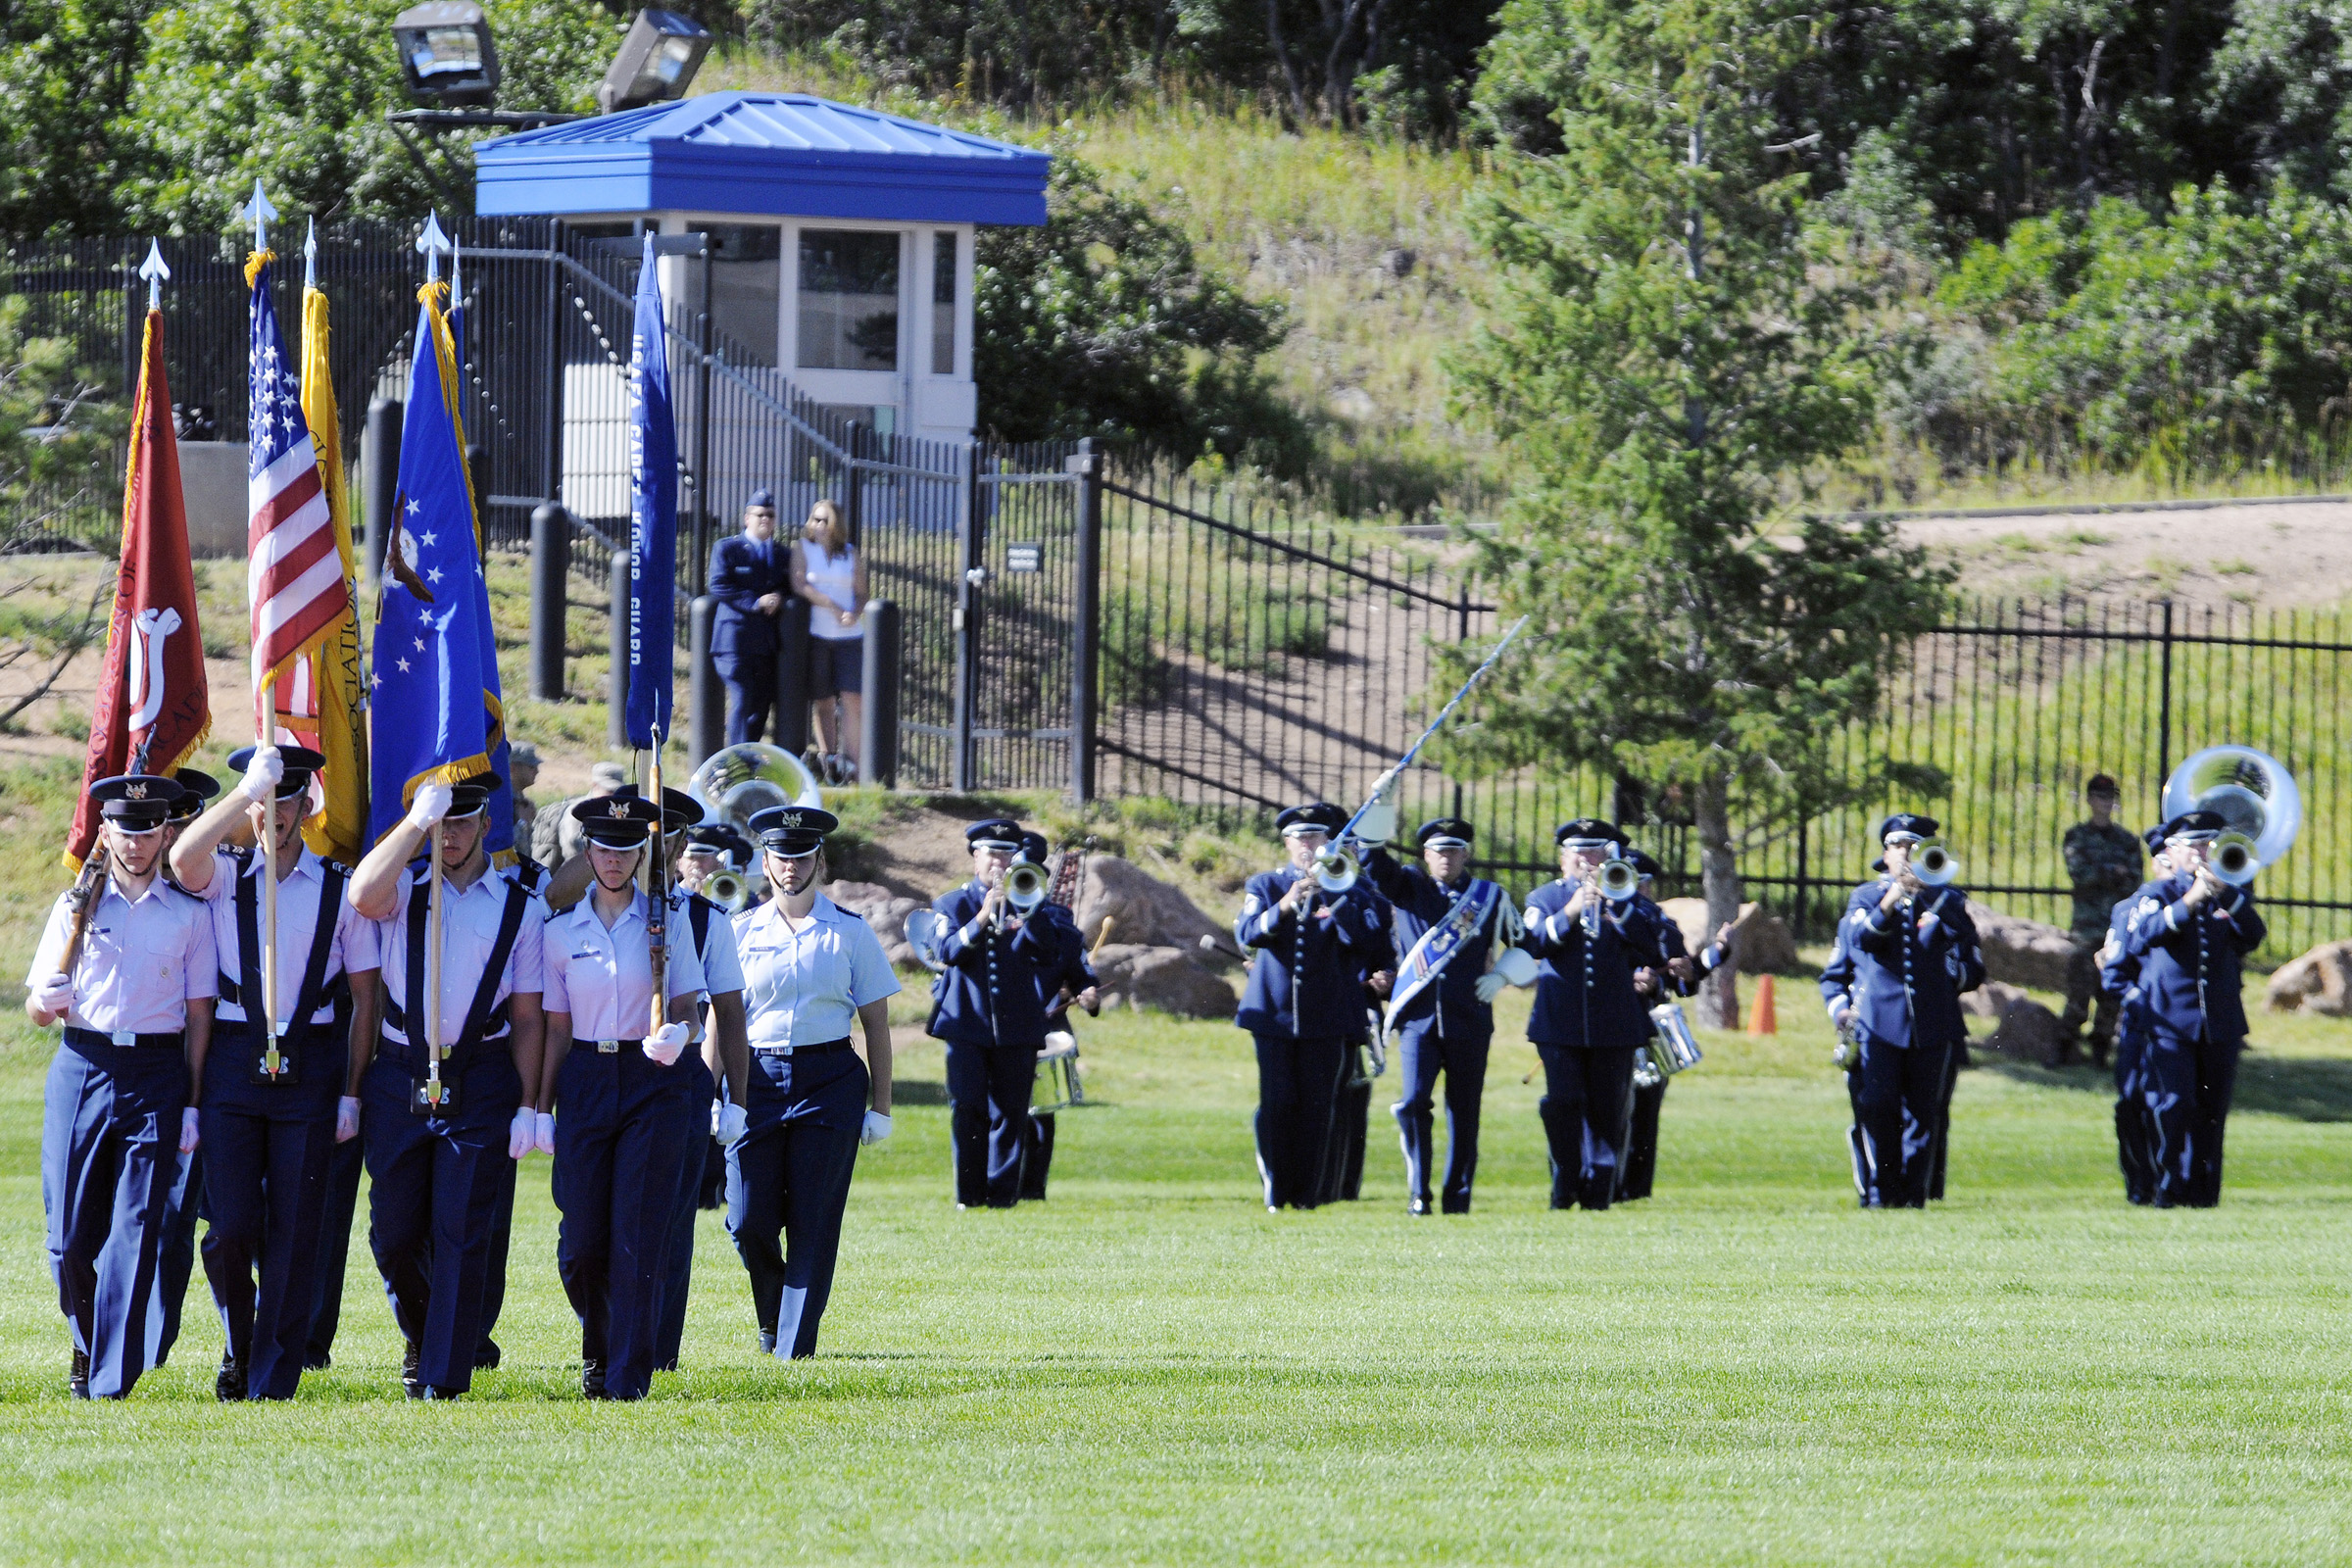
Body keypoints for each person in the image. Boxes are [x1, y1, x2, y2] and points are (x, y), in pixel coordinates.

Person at [169, 744, 378, 1400]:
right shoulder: (227, 875)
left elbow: (367, 1001)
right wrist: (241, 792)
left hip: (311, 1064)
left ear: (306, 803)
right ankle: (241, 1340)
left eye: (285, 797)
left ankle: (271, 1374)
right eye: (264, 799)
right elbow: (181, 858)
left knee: (295, 1230)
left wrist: (350, 1090)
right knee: (229, 1228)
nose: (274, 812)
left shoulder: (340, 890)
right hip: (234, 1058)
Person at [349, 773, 547, 1399]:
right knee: (395, 1232)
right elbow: (360, 895)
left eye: (462, 821)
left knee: (463, 1227)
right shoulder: (401, 889)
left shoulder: (520, 904)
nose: (450, 834)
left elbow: (528, 1016)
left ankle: (441, 1375)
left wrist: (527, 1103)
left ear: (488, 824)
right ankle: (427, 1332)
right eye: (442, 822)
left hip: (481, 1075)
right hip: (400, 1073)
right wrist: (415, 826)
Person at [25, 773, 215, 1398]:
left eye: (148, 831)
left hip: (156, 1073)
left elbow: (198, 1017)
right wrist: (44, 1002)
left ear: (165, 833)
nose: (136, 844)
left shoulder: (189, 915)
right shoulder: (75, 905)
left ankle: (109, 1377)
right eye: (126, 831)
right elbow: (37, 1006)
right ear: (106, 832)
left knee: (136, 1226)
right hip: (82, 1065)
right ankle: (87, 1341)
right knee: (69, 1241)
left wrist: (190, 1104)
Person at [539, 795, 708, 1399]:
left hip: (652, 1080)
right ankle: (601, 1344)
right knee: (582, 1244)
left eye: (625, 848)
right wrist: (537, 1107)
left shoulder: (668, 920)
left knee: (637, 1233)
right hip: (585, 1076)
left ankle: (624, 1378)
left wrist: (679, 1035)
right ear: (589, 852)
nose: (614, 859)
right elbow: (555, 1029)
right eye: (603, 847)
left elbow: (690, 1005)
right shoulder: (560, 932)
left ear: (642, 853)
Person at [729, 805, 896, 1358]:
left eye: (802, 857)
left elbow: (875, 1023)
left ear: (819, 861)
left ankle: (792, 1348)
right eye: (781, 857)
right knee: (748, 1220)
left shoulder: (849, 931)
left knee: (812, 1220)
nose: (791, 868)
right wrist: (716, 1096)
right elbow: (720, 1021)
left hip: (829, 1080)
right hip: (757, 1079)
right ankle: (773, 1312)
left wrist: (882, 1106)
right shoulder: (740, 931)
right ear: (766, 862)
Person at [1819, 814, 1985, 1209]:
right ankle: (1879, 1194)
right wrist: (1893, 898)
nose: (1907, 853)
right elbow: (1864, 939)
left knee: (1925, 1115)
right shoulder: (1865, 897)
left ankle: (1914, 1197)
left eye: (1915, 846)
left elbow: (1973, 968)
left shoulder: (1949, 901)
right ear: (1885, 854)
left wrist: (1949, 966)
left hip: (1933, 1024)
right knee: (1877, 1107)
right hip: (1879, 1025)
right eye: (1898, 846)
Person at [1234, 803, 1390, 1211]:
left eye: (1316, 837)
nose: (1307, 845)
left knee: (1319, 1108)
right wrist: (1287, 903)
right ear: (1286, 843)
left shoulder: (1353, 889)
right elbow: (1249, 933)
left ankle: (1307, 1197)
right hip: (1273, 1013)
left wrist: (1337, 897)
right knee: (1278, 1102)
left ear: (1329, 841)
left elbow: (1370, 944)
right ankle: (1276, 1191)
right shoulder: (1265, 885)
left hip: (1328, 1016)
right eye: (1300, 838)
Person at [1361, 813, 1515, 1216]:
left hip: (1470, 1019)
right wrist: (1384, 805)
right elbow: (1374, 862)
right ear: (1426, 855)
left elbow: (1526, 945)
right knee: (1413, 1102)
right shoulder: (1411, 887)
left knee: (1464, 1111)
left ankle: (1457, 1198)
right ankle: (1418, 1193)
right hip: (1418, 1020)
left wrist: (1502, 975)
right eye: (1437, 851)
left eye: (1453, 850)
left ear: (1466, 854)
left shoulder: (1490, 896)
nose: (1445, 858)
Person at [2120, 809, 2267, 1208]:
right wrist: (2190, 901)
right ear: (2174, 851)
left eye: (2209, 843)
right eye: (2196, 845)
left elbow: (2253, 935)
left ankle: (2204, 1195)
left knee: (2212, 1112)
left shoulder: (2231, 894)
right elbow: (2140, 938)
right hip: (2171, 1021)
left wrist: (2229, 895)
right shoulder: (2158, 894)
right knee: (2174, 1105)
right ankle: (2168, 1189)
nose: (2204, 852)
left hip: (2218, 1022)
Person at [1522, 819, 1663, 1211]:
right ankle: (1564, 1184)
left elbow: (1653, 949)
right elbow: (1532, 943)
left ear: (1608, 857)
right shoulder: (1544, 897)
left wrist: (1617, 904)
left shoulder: (1628, 898)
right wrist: (1570, 911)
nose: (1585, 860)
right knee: (1563, 1104)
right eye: (1577, 853)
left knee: (1608, 1112)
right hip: (1559, 1024)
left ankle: (1599, 1194)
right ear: (1564, 858)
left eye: (1594, 852)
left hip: (1613, 1024)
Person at [654, 802, 750, 1374]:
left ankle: (657, 1350)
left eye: (672, 841)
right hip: (605, 1073)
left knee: (670, 1220)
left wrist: (735, 1099)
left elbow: (730, 1014)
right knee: (585, 1231)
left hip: (680, 1079)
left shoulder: (704, 918)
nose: (663, 851)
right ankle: (607, 1336)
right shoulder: (589, 904)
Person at [927, 820, 1058, 1208]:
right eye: (992, 853)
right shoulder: (952, 903)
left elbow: (1050, 952)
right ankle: (969, 1195)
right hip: (966, 1022)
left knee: (1011, 1112)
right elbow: (948, 951)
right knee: (967, 1108)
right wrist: (983, 916)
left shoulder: (1030, 899)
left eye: (1006, 853)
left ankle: (1003, 1196)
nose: (1000, 862)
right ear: (975, 857)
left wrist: (1029, 909)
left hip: (1017, 1024)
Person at [153, 763, 220, 1367]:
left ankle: (241, 1343)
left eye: (182, 823)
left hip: (215, 1061)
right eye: (164, 824)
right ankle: (145, 1341)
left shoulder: (213, 883)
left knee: (222, 1215)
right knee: (161, 1214)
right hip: (146, 1061)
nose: (171, 835)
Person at [1620, 851, 1730, 1204]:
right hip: (1605, 1026)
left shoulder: (1660, 923)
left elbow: (1684, 980)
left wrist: (1715, 954)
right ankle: (1603, 1185)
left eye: (1645, 883)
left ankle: (1636, 1191)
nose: (1641, 890)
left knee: (1645, 1114)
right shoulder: (1602, 918)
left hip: (1647, 1031)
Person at [1014, 831, 1098, 1202]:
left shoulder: (1060, 923)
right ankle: (991, 1187)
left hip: (1044, 1028)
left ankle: (1032, 1189)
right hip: (994, 1028)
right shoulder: (980, 911)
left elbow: (1082, 976)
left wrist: (1088, 994)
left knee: (1040, 1115)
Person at [2099, 825, 2171, 1205]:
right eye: (2162, 860)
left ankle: (2170, 1182)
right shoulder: (2130, 909)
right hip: (2142, 1023)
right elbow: (2114, 973)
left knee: (2173, 1106)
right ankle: (2139, 1182)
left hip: (2182, 1024)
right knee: (2131, 1102)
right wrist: (2138, 999)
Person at [2059, 774, 2143, 1067]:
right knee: (2079, 990)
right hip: (2086, 927)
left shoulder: (2127, 841)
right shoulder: (2077, 836)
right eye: (2099, 797)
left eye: (2110, 797)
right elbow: (2079, 875)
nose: (2105, 803)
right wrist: (2112, 871)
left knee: (2110, 993)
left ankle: (2100, 1049)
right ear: (2089, 799)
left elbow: (2134, 882)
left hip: (2114, 927)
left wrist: (2103, 873)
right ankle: (2065, 1044)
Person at [790, 498, 866, 785]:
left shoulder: (850, 553)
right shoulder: (803, 549)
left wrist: (854, 612)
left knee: (852, 700)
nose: (819, 525)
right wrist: (832, 605)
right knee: (822, 700)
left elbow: (861, 592)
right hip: (818, 634)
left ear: (837, 525)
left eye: (825, 520)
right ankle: (829, 762)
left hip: (850, 636)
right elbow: (800, 584)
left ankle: (856, 768)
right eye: (816, 519)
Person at [709, 488, 791, 746]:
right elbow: (719, 585)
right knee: (742, 698)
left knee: (760, 705)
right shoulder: (728, 548)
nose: (765, 519)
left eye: (770, 515)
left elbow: (788, 585)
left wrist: (778, 596)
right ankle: (736, 757)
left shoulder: (782, 554)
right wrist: (756, 602)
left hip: (765, 644)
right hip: (733, 642)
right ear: (747, 518)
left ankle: (750, 761)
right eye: (759, 515)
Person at [531, 760, 627, 872]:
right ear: (595, 786)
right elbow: (572, 853)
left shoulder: (613, 812)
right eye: (609, 790)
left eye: (617, 791)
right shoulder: (577, 812)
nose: (613, 796)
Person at [508, 742, 542, 856]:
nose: (537, 771)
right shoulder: (500, 800)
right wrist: (522, 822)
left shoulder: (522, 801)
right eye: (531, 767)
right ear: (512, 767)